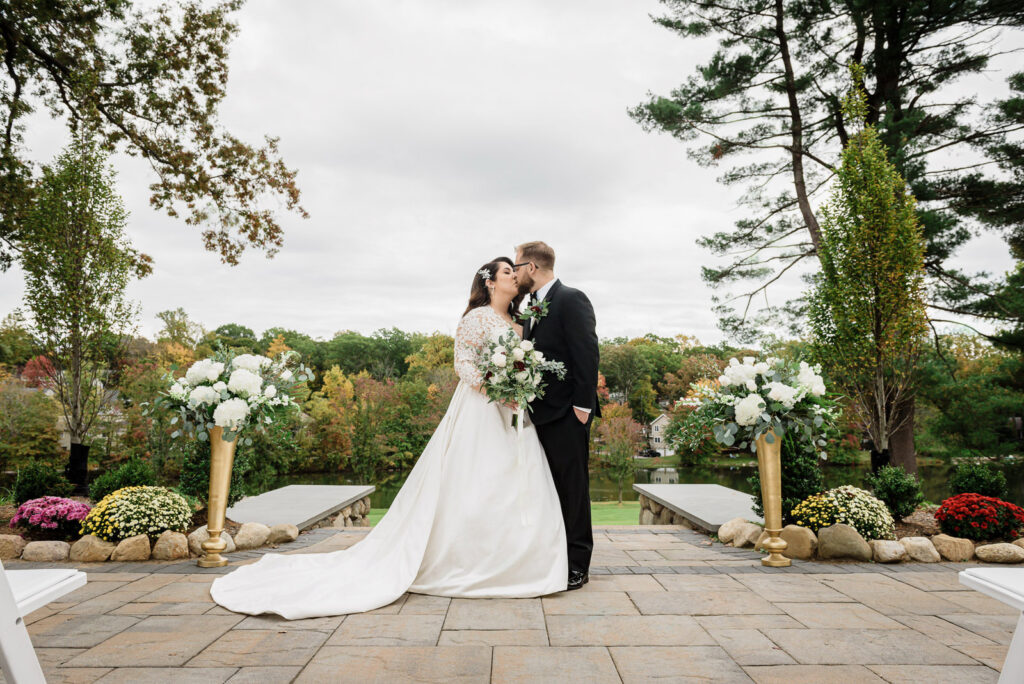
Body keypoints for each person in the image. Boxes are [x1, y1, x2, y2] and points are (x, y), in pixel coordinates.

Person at [209, 257, 568, 619]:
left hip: (513, 412)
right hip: (480, 409)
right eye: (507, 272)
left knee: (512, 484)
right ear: (490, 282)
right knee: (474, 482)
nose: (514, 277)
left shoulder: (520, 323)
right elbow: (463, 365)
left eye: (514, 272)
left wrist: (519, 387)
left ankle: (513, 563)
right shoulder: (476, 319)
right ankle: (464, 561)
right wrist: (497, 389)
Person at [513, 241, 600, 591]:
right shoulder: (531, 306)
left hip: (567, 414)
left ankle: (578, 564)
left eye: (517, 266)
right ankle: (553, 558)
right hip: (540, 414)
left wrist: (582, 407)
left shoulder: (571, 299)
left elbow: (587, 352)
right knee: (548, 491)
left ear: (531, 267)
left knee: (572, 489)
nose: (515, 272)